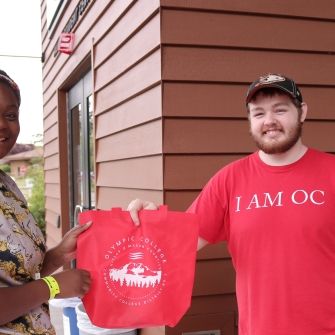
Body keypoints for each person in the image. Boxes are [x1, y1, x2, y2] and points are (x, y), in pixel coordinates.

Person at [128, 73, 335, 335]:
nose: (269, 121)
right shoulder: (229, 179)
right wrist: (150, 220)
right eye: (258, 113)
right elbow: (179, 243)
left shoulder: (331, 172)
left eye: (280, 110)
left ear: (302, 112)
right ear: (250, 120)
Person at [0, 70, 92, 334]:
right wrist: (53, 287)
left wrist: (59, 254)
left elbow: (16, 274)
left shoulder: (7, 185)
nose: (3, 125)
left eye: (11, 115)